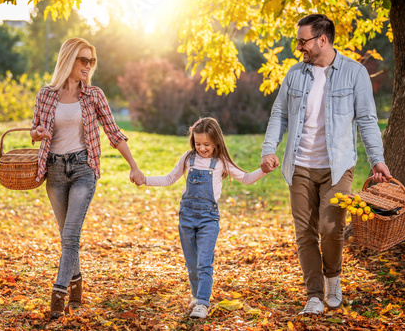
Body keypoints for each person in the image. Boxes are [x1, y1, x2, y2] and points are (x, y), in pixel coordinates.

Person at [260, 14, 391, 315]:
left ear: (322, 39)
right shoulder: (295, 74)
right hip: (299, 165)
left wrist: (377, 160)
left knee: (331, 228)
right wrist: (269, 149)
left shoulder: (354, 73)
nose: (299, 47)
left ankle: (333, 277)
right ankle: (314, 295)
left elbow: (368, 121)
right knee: (305, 232)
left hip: (338, 164)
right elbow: (278, 115)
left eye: (303, 41)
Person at [30, 38, 144, 319]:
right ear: (68, 60)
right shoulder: (46, 94)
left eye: (91, 61)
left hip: (83, 168)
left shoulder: (94, 95)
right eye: (83, 60)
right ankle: (77, 284)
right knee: (66, 237)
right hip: (54, 172)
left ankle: (59, 293)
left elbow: (114, 132)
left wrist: (134, 166)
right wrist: (39, 134)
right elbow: (33, 130)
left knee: (70, 235)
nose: (88, 66)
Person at [134, 117, 267, 319]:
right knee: (191, 262)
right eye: (198, 144)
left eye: (207, 144)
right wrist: (145, 180)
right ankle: (196, 296)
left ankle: (203, 303)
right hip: (186, 217)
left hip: (208, 219)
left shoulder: (221, 162)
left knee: (204, 262)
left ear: (216, 142)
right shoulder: (189, 158)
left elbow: (246, 178)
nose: (202, 148)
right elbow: (170, 178)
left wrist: (264, 170)